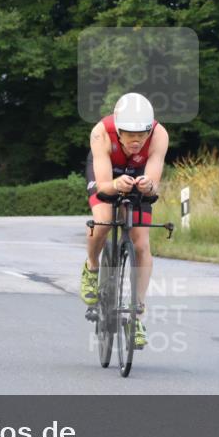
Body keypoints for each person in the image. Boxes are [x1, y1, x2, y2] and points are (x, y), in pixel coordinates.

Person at [81, 93, 169, 349]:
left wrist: (148, 185)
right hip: (108, 173)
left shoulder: (159, 135)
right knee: (104, 221)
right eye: (130, 134)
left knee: (141, 243)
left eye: (141, 134)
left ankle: (137, 315)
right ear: (118, 130)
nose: (136, 140)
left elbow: (153, 187)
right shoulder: (101, 133)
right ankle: (92, 265)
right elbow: (104, 186)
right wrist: (115, 185)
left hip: (139, 176)